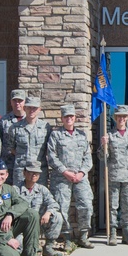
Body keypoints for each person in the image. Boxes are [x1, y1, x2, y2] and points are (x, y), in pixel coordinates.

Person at [47, 104, 94, 248]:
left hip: (80, 177)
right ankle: (66, 237)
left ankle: (83, 235)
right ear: (62, 118)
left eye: (71, 116)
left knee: (86, 204)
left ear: (75, 118)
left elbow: (88, 157)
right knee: (62, 207)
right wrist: (65, 172)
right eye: (66, 116)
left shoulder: (81, 135)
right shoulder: (55, 135)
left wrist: (81, 173)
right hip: (61, 177)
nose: (69, 119)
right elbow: (51, 156)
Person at [99, 105, 128, 246]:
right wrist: (104, 145)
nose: (121, 119)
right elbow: (101, 157)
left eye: (124, 116)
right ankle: (113, 232)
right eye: (119, 116)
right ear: (115, 118)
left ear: (127, 118)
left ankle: (126, 232)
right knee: (113, 205)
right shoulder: (109, 136)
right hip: (114, 175)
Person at [17, 161, 64, 256]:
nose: (34, 175)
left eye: (36, 173)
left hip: (39, 224)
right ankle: (30, 251)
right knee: (19, 248)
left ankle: (48, 248)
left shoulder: (42, 189)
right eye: (31, 172)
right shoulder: (15, 190)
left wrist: (48, 212)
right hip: (22, 227)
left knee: (57, 216)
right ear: (24, 173)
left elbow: (54, 204)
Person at [6, 96, 50, 188]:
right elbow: (10, 147)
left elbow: (48, 148)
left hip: (39, 170)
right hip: (21, 170)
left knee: (39, 198)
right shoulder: (15, 127)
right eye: (29, 107)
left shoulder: (46, 127)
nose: (31, 110)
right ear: (24, 108)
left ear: (39, 109)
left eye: (34, 108)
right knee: (19, 198)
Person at [0, 89, 27, 154]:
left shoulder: (30, 120)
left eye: (20, 101)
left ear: (24, 102)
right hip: (8, 162)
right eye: (14, 100)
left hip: (25, 161)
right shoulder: (3, 121)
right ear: (11, 102)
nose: (17, 103)